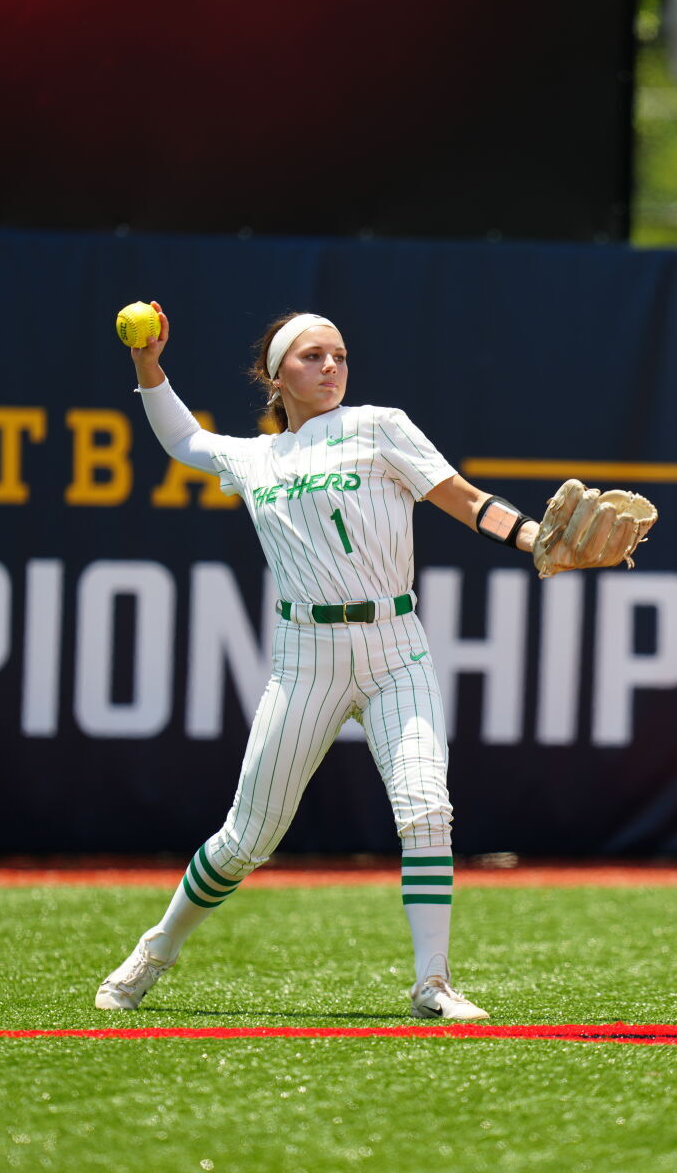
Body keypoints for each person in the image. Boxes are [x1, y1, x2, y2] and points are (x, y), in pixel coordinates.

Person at [95, 303, 546, 1021]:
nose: (330, 365)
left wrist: (531, 538)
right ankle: (155, 949)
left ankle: (434, 981)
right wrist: (147, 363)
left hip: (397, 647)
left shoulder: (379, 425)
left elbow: (459, 497)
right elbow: (183, 438)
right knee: (247, 839)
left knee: (427, 808)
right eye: (310, 356)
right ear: (277, 376)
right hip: (306, 656)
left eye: (337, 353)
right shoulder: (255, 457)